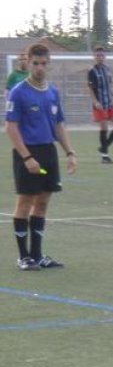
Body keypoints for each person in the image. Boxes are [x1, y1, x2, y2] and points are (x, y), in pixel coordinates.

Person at [5, 43, 77, 271]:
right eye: (35, 63)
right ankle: (23, 257)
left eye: (43, 63)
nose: (39, 68)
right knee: (25, 203)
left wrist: (70, 152)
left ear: (49, 64)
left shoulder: (53, 92)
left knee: (43, 203)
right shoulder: (18, 92)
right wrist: (27, 157)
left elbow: (59, 125)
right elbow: (11, 127)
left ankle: (37, 255)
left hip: (48, 152)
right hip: (28, 152)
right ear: (28, 62)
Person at [87, 46, 113, 164]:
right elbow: (90, 88)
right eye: (98, 55)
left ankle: (104, 147)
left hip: (109, 103)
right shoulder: (92, 71)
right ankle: (104, 156)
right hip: (100, 104)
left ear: (105, 56)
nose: (100, 57)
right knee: (104, 128)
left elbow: (109, 86)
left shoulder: (107, 69)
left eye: (102, 55)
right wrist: (95, 101)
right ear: (94, 57)